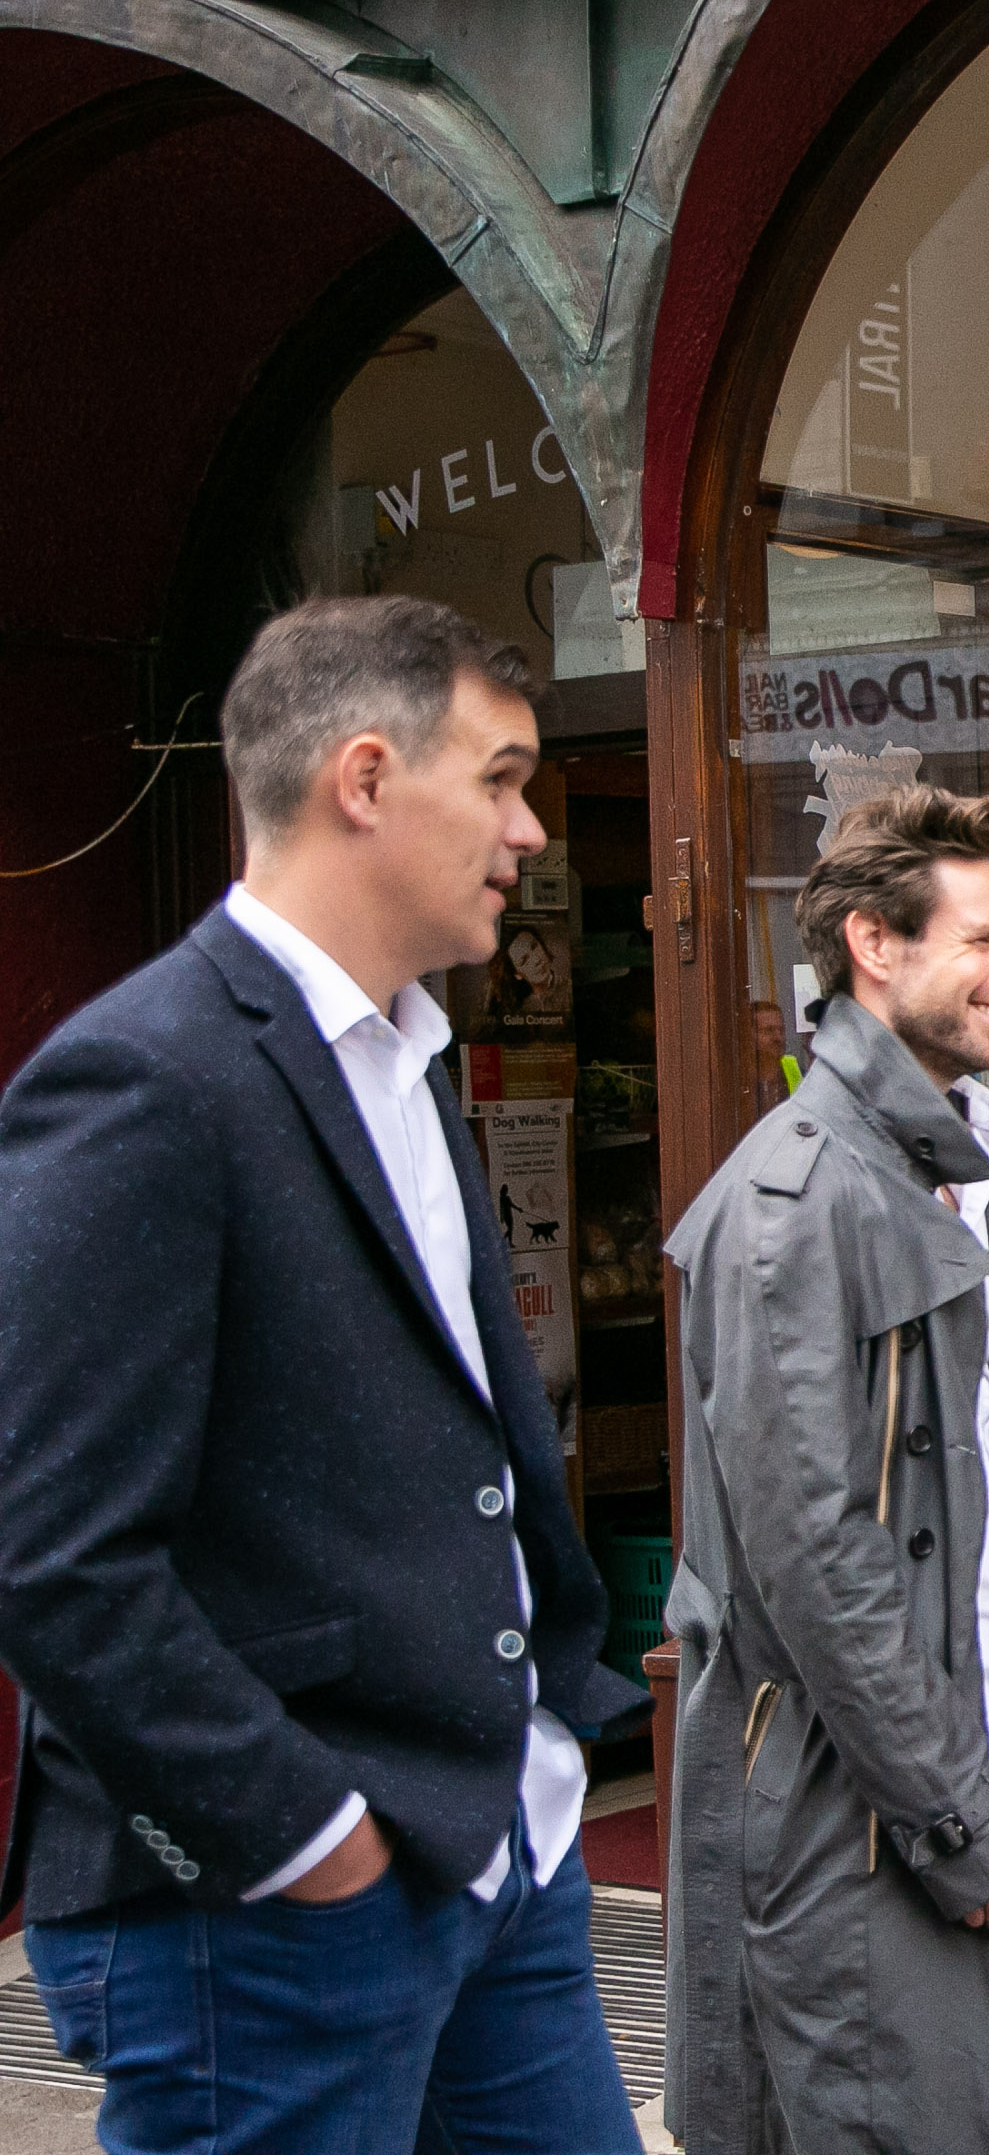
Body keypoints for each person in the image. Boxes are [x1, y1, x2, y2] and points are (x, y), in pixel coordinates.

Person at [0, 595, 649, 2152]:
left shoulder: (407, 1062)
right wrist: (304, 1835)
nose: (531, 826)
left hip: (504, 1854)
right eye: (498, 778)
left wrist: (541, 1747)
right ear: (364, 778)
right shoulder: (146, 1078)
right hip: (276, 1915)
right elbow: (54, 1554)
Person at [662, 788, 989, 2155]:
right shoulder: (798, 1199)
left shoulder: (942, 1171)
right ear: (873, 945)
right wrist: (958, 1815)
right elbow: (817, 1557)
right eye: (984, 939)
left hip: (962, 1781)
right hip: (855, 1824)